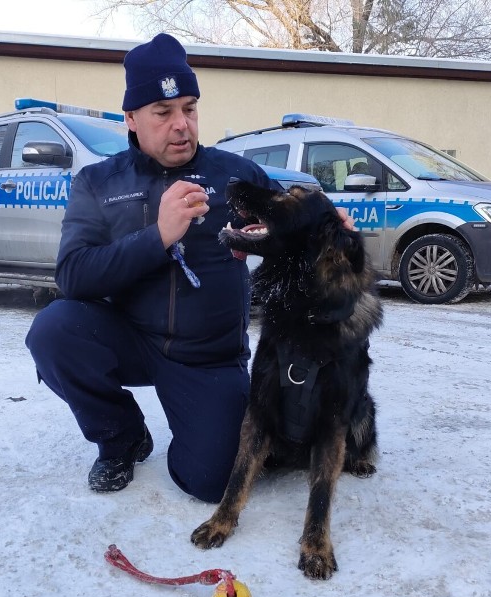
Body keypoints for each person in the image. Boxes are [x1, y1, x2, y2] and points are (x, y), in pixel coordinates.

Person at [26, 33, 350, 503]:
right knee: (54, 331)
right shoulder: (98, 182)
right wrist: (156, 236)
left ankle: (205, 425)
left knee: (212, 482)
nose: (181, 125)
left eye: (190, 108)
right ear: (131, 119)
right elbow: (73, 275)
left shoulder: (235, 177)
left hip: (209, 357)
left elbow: (292, 221)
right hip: (132, 339)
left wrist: (328, 227)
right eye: (163, 112)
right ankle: (122, 437)